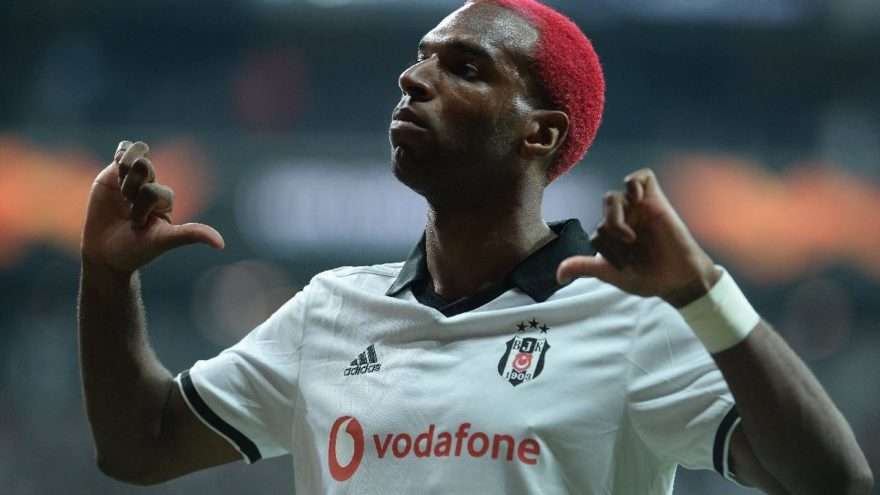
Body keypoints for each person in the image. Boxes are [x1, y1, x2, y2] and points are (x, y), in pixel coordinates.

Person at [77, 0, 873, 493]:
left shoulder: (627, 321)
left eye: (463, 66)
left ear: (541, 133)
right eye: (420, 58)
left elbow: (832, 479)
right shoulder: (329, 311)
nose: (414, 79)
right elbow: (139, 446)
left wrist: (704, 293)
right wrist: (107, 277)